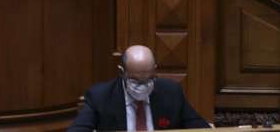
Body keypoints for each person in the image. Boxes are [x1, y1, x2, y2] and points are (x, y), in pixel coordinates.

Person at [67, 45, 210, 131]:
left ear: (154, 70)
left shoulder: (171, 92)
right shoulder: (100, 96)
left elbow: (202, 129)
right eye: (135, 80)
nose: (142, 86)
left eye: (149, 79)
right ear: (122, 72)